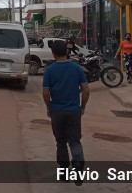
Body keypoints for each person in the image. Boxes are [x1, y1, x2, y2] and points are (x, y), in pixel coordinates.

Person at [42, 40, 90, 186]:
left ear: (53, 53)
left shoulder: (49, 70)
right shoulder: (77, 69)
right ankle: (78, 165)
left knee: (61, 142)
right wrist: (82, 106)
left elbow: (45, 92)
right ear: (67, 52)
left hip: (57, 111)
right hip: (73, 110)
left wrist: (49, 107)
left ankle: (63, 172)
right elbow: (86, 89)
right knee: (74, 141)